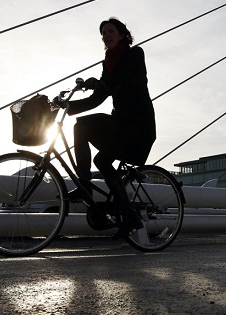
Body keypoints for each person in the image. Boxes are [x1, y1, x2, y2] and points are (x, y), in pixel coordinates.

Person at [58, 17, 156, 239]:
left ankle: (94, 190)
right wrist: (67, 105)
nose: (106, 35)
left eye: (110, 31)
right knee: (84, 131)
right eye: (103, 33)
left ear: (122, 34)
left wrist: (102, 84)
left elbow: (132, 82)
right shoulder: (108, 63)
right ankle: (89, 187)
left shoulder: (135, 54)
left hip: (138, 127)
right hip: (120, 125)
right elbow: (98, 98)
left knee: (97, 151)